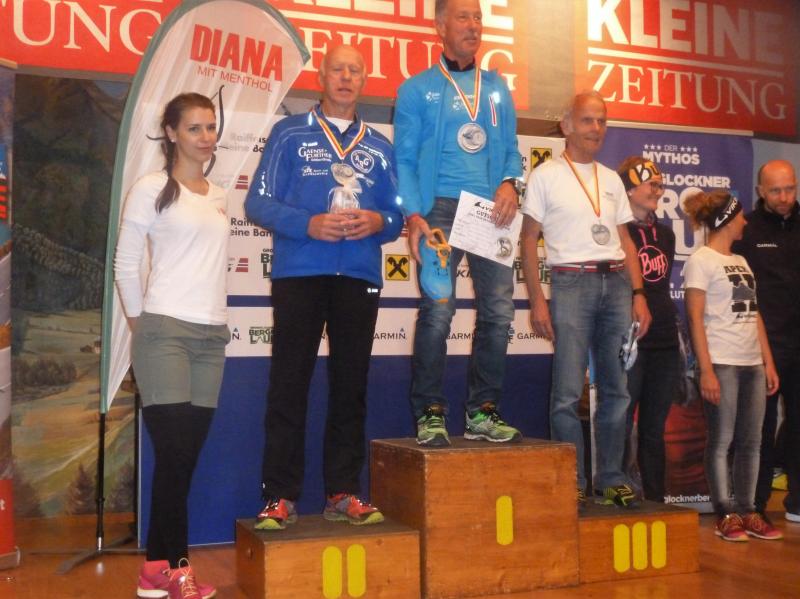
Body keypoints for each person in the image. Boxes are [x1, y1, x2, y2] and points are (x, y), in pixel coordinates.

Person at [244, 45, 402, 530]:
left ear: (365, 80)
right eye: (338, 69)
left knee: (350, 387)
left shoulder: (380, 147)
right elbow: (257, 203)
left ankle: (343, 491)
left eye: (355, 70)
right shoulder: (289, 133)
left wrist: (379, 221)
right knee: (289, 384)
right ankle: (280, 495)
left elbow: (397, 216)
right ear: (321, 76)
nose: (346, 77)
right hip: (300, 273)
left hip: (358, 277)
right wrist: (307, 224)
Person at [394, 0, 524, 447]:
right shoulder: (416, 90)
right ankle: (430, 412)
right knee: (438, 310)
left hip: (489, 210)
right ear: (440, 26)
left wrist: (510, 183)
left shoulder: (497, 88)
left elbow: (511, 149)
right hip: (439, 212)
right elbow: (404, 159)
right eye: (463, 17)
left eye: (478, 18)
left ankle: (483, 412)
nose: (473, 26)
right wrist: (414, 214)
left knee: (499, 311)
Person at [115, 93, 229, 599]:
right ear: (171, 133)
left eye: (210, 127)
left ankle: (154, 573)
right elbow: (125, 263)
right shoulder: (150, 188)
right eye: (194, 128)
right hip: (165, 332)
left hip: (211, 337)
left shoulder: (219, 195)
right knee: (176, 454)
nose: (205, 137)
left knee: (182, 460)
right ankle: (177, 568)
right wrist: (142, 326)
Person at [520, 91, 652, 508]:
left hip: (616, 283)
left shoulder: (611, 178)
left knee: (617, 389)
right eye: (588, 120)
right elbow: (528, 240)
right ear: (567, 125)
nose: (596, 128)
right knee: (565, 392)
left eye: (602, 120)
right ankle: (571, 480)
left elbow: (626, 240)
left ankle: (610, 477)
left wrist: (639, 293)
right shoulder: (545, 176)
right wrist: (537, 300)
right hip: (571, 284)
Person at [683, 189, 781, 541]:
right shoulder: (701, 260)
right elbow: (695, 319)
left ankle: (748, 509)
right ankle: (725, 513)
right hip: (722, 362)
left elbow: (754, 315)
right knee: (722, 440)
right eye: (740, 216)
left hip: (751, 362)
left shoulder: (741, 260)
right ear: (726, 220)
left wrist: (768, 362)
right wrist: (706, 369)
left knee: (752, 441)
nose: (745, 222)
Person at [732, 159, 800, 525]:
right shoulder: (748, 230)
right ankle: (754, 506)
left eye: (790, 188)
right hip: (764, 345)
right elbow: (741, 291)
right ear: (760, 191)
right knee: (759, 426)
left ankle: (797, 502)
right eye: (776, 191)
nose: (784, 197)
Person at [617, 157, 680, 503]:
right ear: (629, 190)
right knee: (621, 422)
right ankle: (617, 495)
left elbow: (660, 285)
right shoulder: (617, 232)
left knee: (654, 429)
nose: (658, 190)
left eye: (660, 184)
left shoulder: (666, 234)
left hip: (665, 340)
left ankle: (657, 502)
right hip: (630, 341)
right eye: (651, 184)